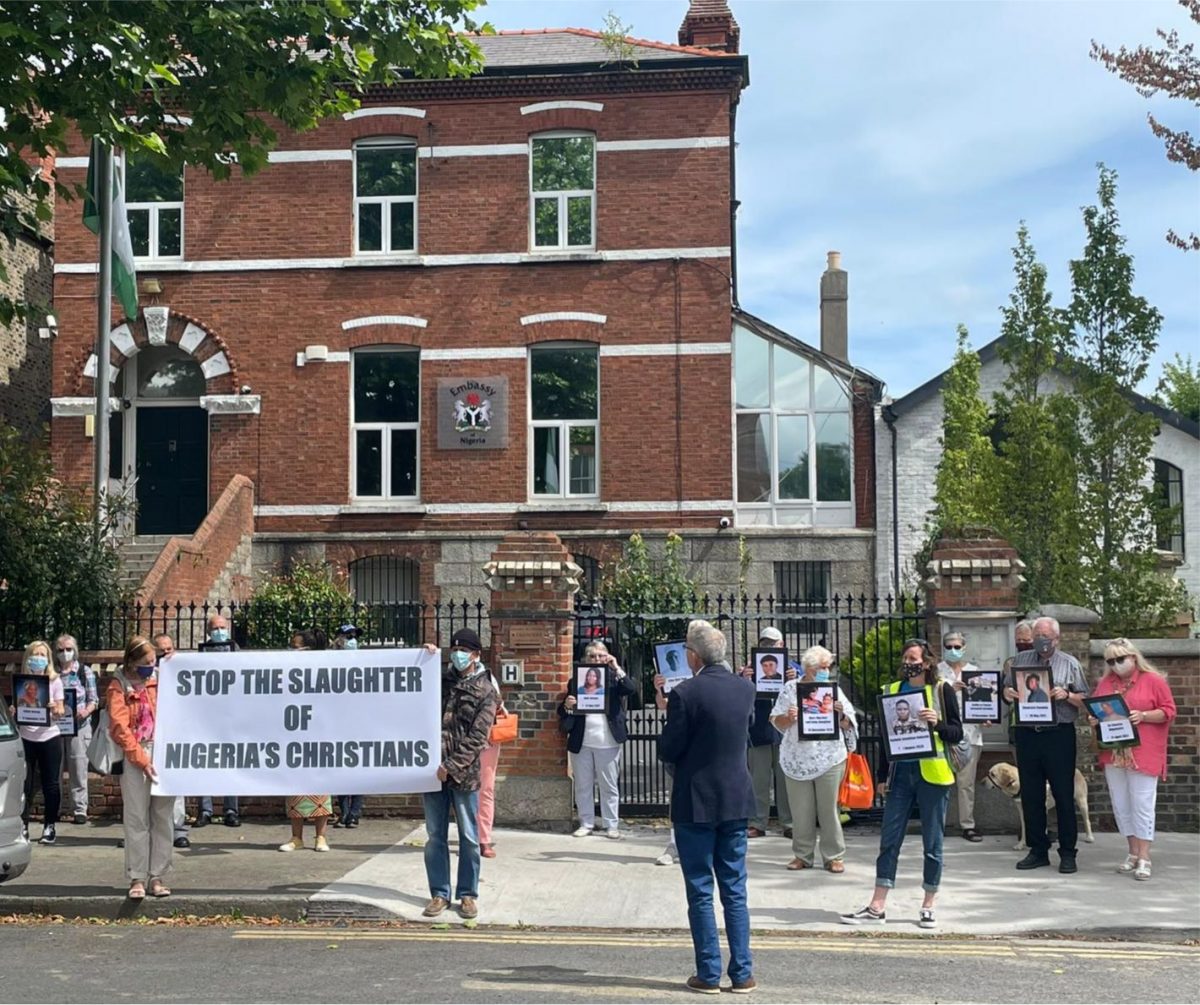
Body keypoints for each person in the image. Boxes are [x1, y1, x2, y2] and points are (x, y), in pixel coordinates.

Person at [659, 619, 756, 995]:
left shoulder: (686, 693)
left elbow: (670, 748)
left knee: (700, 888)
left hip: (696, 800)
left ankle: (709, 973)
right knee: (734, 887)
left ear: (693, 655)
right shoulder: (745, 689)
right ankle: (743, 972)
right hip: (735, 798)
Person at [841, 638, 961, 930]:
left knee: (932, 842)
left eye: (913, 658)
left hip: (933, 773)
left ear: (927, 662)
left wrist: (937, 724)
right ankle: (877, 904)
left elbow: (956, 733)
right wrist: (882, 776)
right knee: (889, 838)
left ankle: (928, 903)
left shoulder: (941, 690)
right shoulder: (892, 691)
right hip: (900, 774)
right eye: (905, 658)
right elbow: (886, 738)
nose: (908, 663)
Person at [420, 628, 497, 920]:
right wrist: (424, 654)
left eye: (464, 650)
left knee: (468, 836)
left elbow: (478, 738)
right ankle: (439, 893)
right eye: (454, 649)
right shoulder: (439, 678)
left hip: (463, 775)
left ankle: (467, 894)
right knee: (434, 835)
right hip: (430, 772)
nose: (457, 654)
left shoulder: (486, 691)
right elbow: (412, 686)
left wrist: (450, 766)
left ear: (476, 655)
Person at [1004, 615, 1088, 873]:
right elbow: (1007, 690)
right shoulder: (1020, 661)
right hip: (1028, 733)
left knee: (1063, 794)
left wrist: (1067, 695)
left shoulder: (1069, 663)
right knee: (1031, 794)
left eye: (1046, 638)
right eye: (1037, 636)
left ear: (1057, 639)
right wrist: (1009, 695)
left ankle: (1067, 853)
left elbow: (1085, 698)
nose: (1041, 642)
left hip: (1058, 734)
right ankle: (1038, 849)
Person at [1089, 639, 1177, 882]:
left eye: (1120, 659)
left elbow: (1169, 710)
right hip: (1114, 751)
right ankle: (1132, 851)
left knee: (1142, 803)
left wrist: (1145, 715)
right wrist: (1094, 719)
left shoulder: (1153, 681)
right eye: (1110, 661)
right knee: (1121, 804)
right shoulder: (1106, 683)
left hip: (1144, 751)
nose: (1115, 665)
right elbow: (1096, 708)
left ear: (1133, 657)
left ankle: (1145, 856)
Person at [771, 645, 857, 873]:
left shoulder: (833, 689)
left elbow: (849, 724)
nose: (826, 671)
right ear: (809, 668)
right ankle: (802, 855)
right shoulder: (791, 688)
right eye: (822, 667)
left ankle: (834, 856)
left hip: (829, 757)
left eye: (829, 667)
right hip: (797, 758)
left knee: (829, 809)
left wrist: (840, 715)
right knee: (801, 811)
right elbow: (775, 720)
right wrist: (788, 718)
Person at [108, 636, 174, 899]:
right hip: (137, 753)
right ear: (133, 662)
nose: (152, 665)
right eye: (146, 662)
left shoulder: (161, 678)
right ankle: (137, 877)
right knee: (136, 818)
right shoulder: (118, 685)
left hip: (164, 752)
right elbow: (119, 727)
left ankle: (157, 876)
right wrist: (141, 759)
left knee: (163, 818)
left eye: (154, 660)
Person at [559, 640, 638, 839]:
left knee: (608, 785)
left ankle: (611, 824)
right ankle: (586, 822)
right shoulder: (576, 681)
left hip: (607, 741)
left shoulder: (614, 680)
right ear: (585, 659)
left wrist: (616, 667)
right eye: (592, 656)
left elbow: (631, 688)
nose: (596, 660)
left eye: (600, 655)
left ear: (607, 657)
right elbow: (563, 711)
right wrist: (568, 704)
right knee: (583, 784)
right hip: (582, 740)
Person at [280, 629, 334, 852]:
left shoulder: (324, 668)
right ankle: (296, 837)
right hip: (295, 733)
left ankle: (320, 837)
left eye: (295, 645)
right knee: (295, 786)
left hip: (319, 735)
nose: (292, 649)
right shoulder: (287, 669)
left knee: (320, 786)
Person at [738, 626, 793, 839]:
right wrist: (744, 679)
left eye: (774, 643)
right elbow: (738, 697)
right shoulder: (749, 670)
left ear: (782, 645)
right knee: (758, 781)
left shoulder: (792, 670)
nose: (770, 647)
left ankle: (788, 823)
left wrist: (794, 679)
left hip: (784, 732)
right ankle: (757, 823)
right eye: (765, 643)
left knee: (785, 781)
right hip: (758, 730)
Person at [936, 631, 989, 843]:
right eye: (949, 646)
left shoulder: (973, 672)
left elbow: (983, 702)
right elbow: (930, 703)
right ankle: (938, 823)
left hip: (970, 735)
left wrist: (985, 716)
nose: (953, 650)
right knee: (940, 782)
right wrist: (949, 689)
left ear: (964, 647)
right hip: (944, 734)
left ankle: (967, 825)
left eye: (957, 647)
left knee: (966, 783)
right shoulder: (937, 673)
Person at [12, 640, 64, 844]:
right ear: (28, 657)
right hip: (26, 737)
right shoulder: (21, 681)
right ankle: (23, 825)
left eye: (43, 655)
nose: (39, 658)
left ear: (48, 659)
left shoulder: (54, 681)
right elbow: (18, 707)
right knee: (24, 784)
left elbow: (61, 710)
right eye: (35, 654)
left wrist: (54, 707)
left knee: (51, 784)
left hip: (49, 736)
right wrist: (14, 711)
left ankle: (49, 825)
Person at [196, 612, 241, 828]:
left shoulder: (237, 653)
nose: (219, 632)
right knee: (204, 764)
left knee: (231, 765)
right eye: (215, 628)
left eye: (222, 627)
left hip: (231, 717)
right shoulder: (201, 654)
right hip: (206, 717)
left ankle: (231, 810)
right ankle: (205, 810)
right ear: (208, 631)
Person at [54, 634, 99, 826]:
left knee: (78, 769)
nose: (65, 653)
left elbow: (94, 700)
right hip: (54, 728)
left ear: (75, 650)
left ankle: (79, 809)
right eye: (61, 650)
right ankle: (54, 807)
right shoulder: (51, 672)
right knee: (53, 770)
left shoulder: (84, 671)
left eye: (68, 649)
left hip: (79, 726)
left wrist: (85, 711)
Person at [153, 633, 191, 849]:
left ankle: (178, 830)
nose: (166, 653)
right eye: (162, 650)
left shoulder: (182, 673)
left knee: (176, 784)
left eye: (169, 649)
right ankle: (148, 831)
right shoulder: (148, 675)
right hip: (151, 735)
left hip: (175, 735)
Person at [332, 624, 364, 829]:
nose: (353, 640)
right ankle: (344, 812)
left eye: (355, 636)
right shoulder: (330, 660)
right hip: (337, 723)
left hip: (359, 722)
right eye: (348, 636)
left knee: (360, 770)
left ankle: (354, 813)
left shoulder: (365, 660)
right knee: (340, 771)